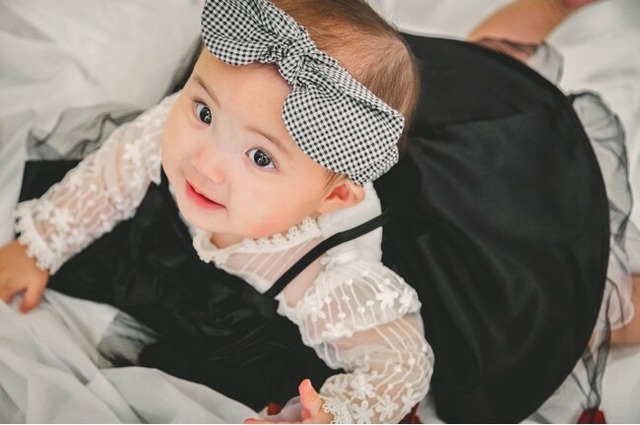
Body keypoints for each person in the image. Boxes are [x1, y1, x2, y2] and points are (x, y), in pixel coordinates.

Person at [0, 0, 431, 423]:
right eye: (205, 112)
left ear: (333, 198)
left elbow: (400, 363)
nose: (205, 165)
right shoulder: (172, 130)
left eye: (260, 157)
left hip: (247, 333)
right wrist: (41, 246)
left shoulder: (326, 272)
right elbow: (113, 175)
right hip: (172, 252)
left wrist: (335, 413)